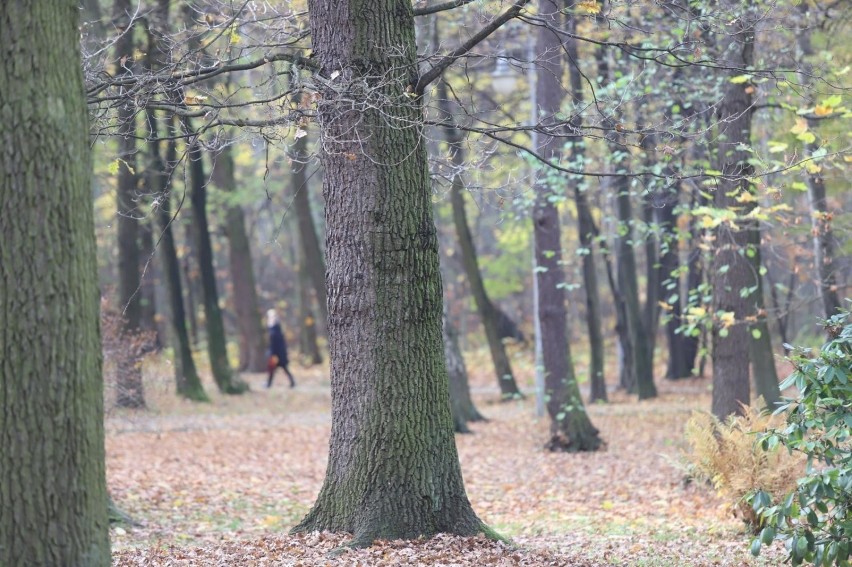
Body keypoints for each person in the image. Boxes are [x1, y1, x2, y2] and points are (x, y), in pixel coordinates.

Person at [266, 309, 296, 388]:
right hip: (278, 353)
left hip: (276, 354)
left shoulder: (274, 331)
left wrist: (273, 354)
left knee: (275, 368)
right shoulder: (276, 329)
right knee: (277, 369)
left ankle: (269, 384)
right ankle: (269, 383)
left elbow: (275, 345)